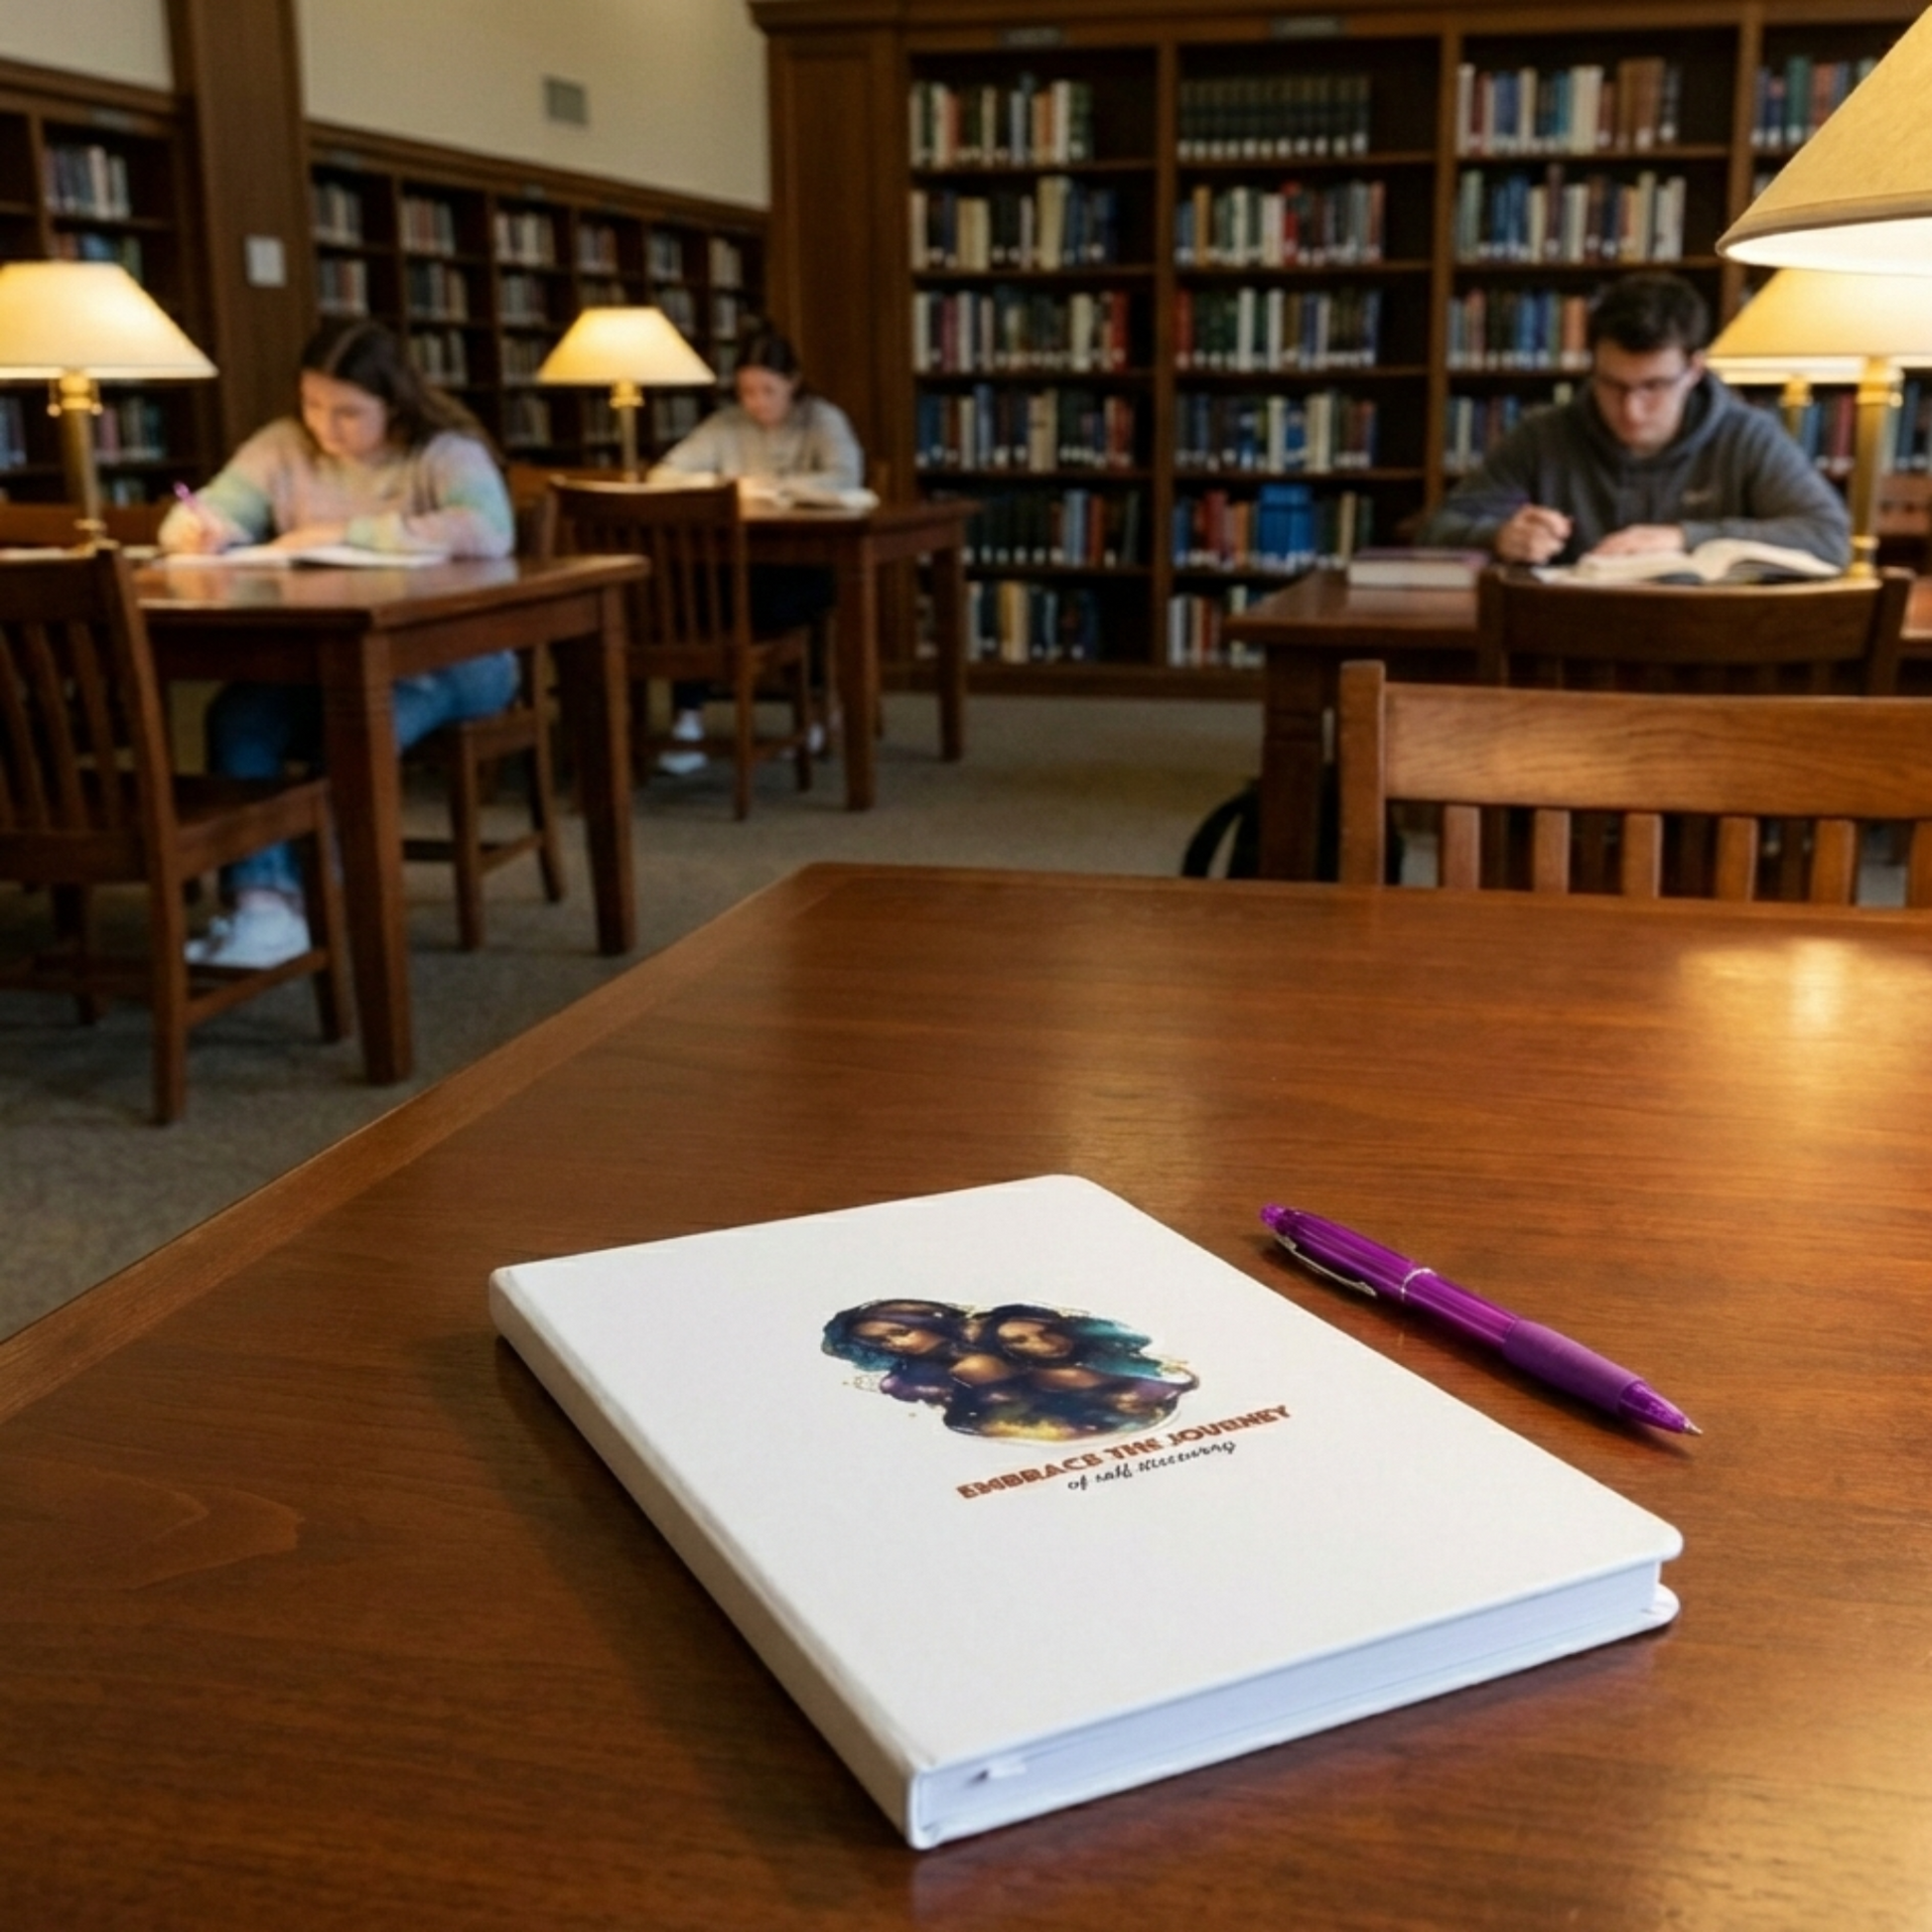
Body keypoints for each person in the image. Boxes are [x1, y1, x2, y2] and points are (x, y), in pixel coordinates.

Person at [159, 320, 516, 968]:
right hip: (332, 656)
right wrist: (198, 529)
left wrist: (343, 533)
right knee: (238, 716)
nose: (327, 426)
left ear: (394, 402)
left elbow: (487, 529)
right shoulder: (282, 447)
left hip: (460, 655)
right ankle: (263, 908)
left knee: (355, 724)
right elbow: (209, 509)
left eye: (349, 411)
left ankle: (317, 891)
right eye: (313, 405)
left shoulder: (442, 450)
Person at [1422, 271, 1853, 571]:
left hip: (1709, 655)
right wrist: (1499, 536)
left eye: (1654, 387)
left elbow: (1828, 538)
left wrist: (1684, 537)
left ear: (1694, 370)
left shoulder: (1747, 436)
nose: (1631, 408)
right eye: (1612, 384)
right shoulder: (1543, 436)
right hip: (1570, 664)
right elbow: (1435, 531)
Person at [648, 327, 863, 773]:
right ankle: (688, 723)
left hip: (806, 563)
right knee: (693, 600)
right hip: (735, 564)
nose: (757, 403)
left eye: (769, 390)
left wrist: (777, 488)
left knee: (792, 600)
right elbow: (664, 475)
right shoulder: (726, 425)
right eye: (746, 391)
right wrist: (723, 488)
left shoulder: (821, 420)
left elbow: (845, 476)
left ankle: (817, 710)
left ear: (794, 382)